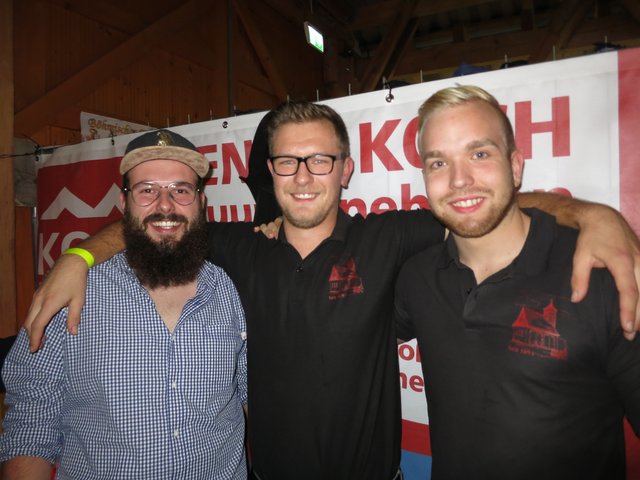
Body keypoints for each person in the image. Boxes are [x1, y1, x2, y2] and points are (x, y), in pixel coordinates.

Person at [21, 102, 640, 479]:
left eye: (320, 160)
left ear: (346, 169)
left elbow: (481, 204)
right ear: (271, 172)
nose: (303, 176)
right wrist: (78, 257)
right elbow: (159, 219)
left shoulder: (390, 239)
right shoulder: (240, 248)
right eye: (288, 161)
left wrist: (594, 215)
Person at [394, 85, 640, 479]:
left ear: (516, 167)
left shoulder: (602, 274)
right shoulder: (417, 278)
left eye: (479, 154)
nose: (459, 180)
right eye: (438, 162)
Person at [0, 130, 248, 479]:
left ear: (201, 201)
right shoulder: (72, 293)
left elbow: (248, 395)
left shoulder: (228, 289)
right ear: (123, 202)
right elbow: (31, 420)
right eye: (147, 190)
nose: (165, 205)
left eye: (181, 190)